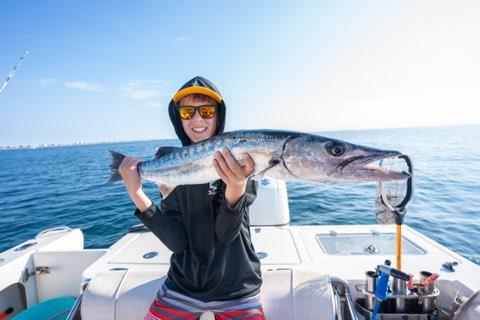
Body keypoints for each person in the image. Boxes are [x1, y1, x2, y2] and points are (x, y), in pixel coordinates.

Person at [119, 76, 265, 320]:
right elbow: (177, 243)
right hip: (182, 287)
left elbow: (226, 234)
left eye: (206, 110)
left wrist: (236, 185)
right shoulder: (173, 168)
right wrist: (136, 193)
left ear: (219, 115)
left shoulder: (242, 161)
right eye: (188, 113)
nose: (198, 119)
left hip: (238, 287)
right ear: (179, 118)